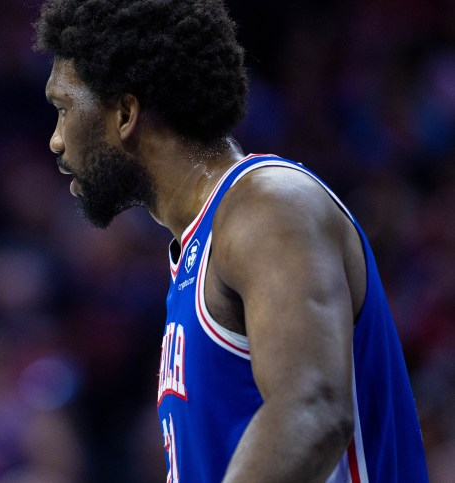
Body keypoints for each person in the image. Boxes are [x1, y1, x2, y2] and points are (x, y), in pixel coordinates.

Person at [34, 0, 428, 481]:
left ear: (125, 114)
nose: (55, 140)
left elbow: (313, 410)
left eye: (62, 109)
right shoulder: (197, 252)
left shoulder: (269, 204)